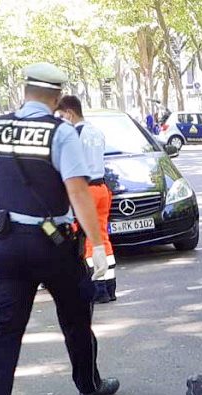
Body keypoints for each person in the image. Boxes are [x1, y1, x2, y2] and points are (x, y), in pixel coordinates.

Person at [0, 62, 117, 395]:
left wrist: (7, 204)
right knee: (75, 314)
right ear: (55, 96)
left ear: (25, 91)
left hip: (4, 241)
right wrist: (97, 243)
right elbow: (78, 190)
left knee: (6, 325)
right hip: (52, 242)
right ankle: (89, 385)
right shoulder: (61, 133)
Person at [56, 95, 116, 303]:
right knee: (102, 236)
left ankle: (98, 288)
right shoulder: (96, 132)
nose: (62, 119)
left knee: (89, 238)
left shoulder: (75, 134)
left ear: (70, 113)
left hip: (87, 190)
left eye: (62, 115)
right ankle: (110, 286)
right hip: (102, 188)